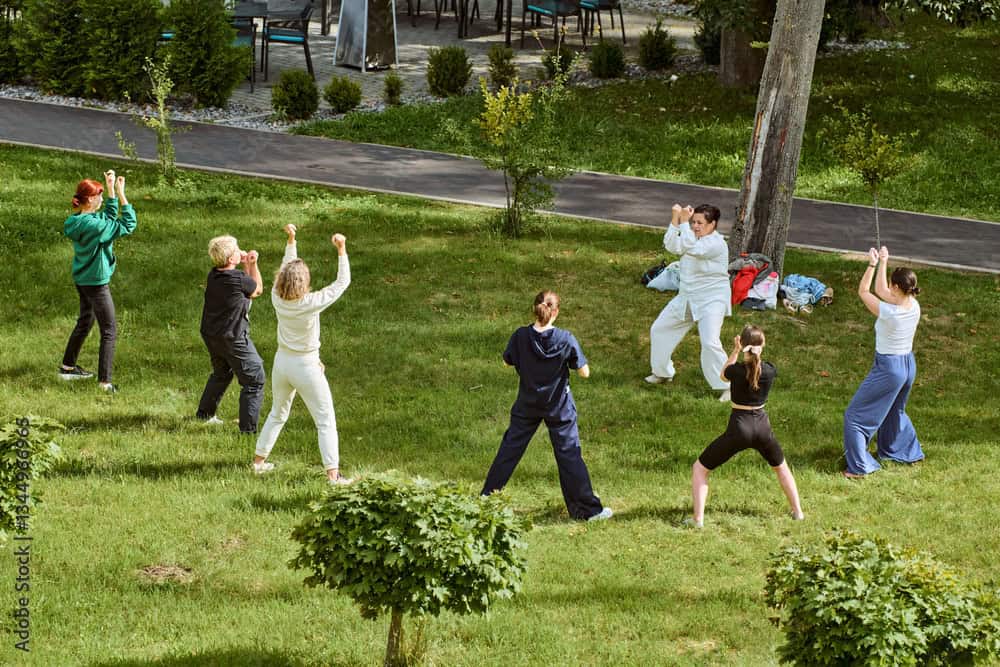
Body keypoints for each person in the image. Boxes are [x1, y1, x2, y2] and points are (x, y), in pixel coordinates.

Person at [481, 291, 612, 522]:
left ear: (535, 309)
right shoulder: (565, 338)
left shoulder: (521, 336)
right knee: (569, 455)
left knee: (509, 451)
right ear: (556, 312)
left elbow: (505, 361)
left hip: (527, 404)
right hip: (559, 406)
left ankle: (484, 500)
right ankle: (588, 510)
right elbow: (584, 373)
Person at [253, 224, 353, 484]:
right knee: (325, 420)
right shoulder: (311, 303)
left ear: (282, 280)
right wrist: (341, 250)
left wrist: (291, 240)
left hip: (282, 362)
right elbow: (342, 283)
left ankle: (258, 462)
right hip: (306, 366)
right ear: (304, 283)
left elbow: (287, 266)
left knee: (277, 412)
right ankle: (333, 475)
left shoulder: (276, 296)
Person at [688, 325, 804, 528]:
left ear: (742, 344)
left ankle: (698, 520)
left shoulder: (736, 371)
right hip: (762, 427)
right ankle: (798, 512)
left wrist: (734, 351)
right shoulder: (769, 370)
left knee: (700, 468)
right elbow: (754, 369)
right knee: (781, 468)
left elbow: (722, 375)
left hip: (739, 428)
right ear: (762, 346)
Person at [843, 247, 924, 478]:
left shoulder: (890, 312)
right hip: (908, 366)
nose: (888, 288)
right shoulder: (912, 304)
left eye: (891, 285)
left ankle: (859, 468)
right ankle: (904, 453)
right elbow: (881, 289)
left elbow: (864, 291)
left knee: (855, 416)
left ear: (897, 288)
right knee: (894, 411)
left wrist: (871, 264)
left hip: (889, 369)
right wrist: (884, 262)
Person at [59, 169, 137, 393]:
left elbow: (108, 218)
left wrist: (110, 188)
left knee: (85, 322)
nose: (103, 199)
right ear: (91, 199)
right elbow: (126, 225)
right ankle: (105, 382)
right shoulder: (95, 226)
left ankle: (67, 367)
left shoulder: (78, 220)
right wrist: (122, 195)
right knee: (110, 330)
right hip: (96, 283)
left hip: (82, 278)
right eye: (100, 196)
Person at [647, 203, 732, 402]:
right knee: (659, 329)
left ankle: (729, 385)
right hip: (687, 297)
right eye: (693, 222)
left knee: (710, 342)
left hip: (712, 299)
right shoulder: (690, 236)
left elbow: (691, 248)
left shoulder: (716, 243)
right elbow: (672, 245)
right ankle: (663, 372)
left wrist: (684, 223)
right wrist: (675, 220)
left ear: (713, 224)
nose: (695, 226)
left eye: (700, 223)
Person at [196, 235, 266, 434]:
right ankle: (248, 432)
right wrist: (254, 264)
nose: (240, 250)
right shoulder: (237, 278)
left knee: (222, 373)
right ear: (231, 259)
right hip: (233, 337)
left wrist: (246, 265)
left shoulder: (214, 275)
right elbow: (257, 289)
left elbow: (246, 285)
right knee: (255, 379)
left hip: (211, 334)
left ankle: (205, 414)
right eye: (237, 249)